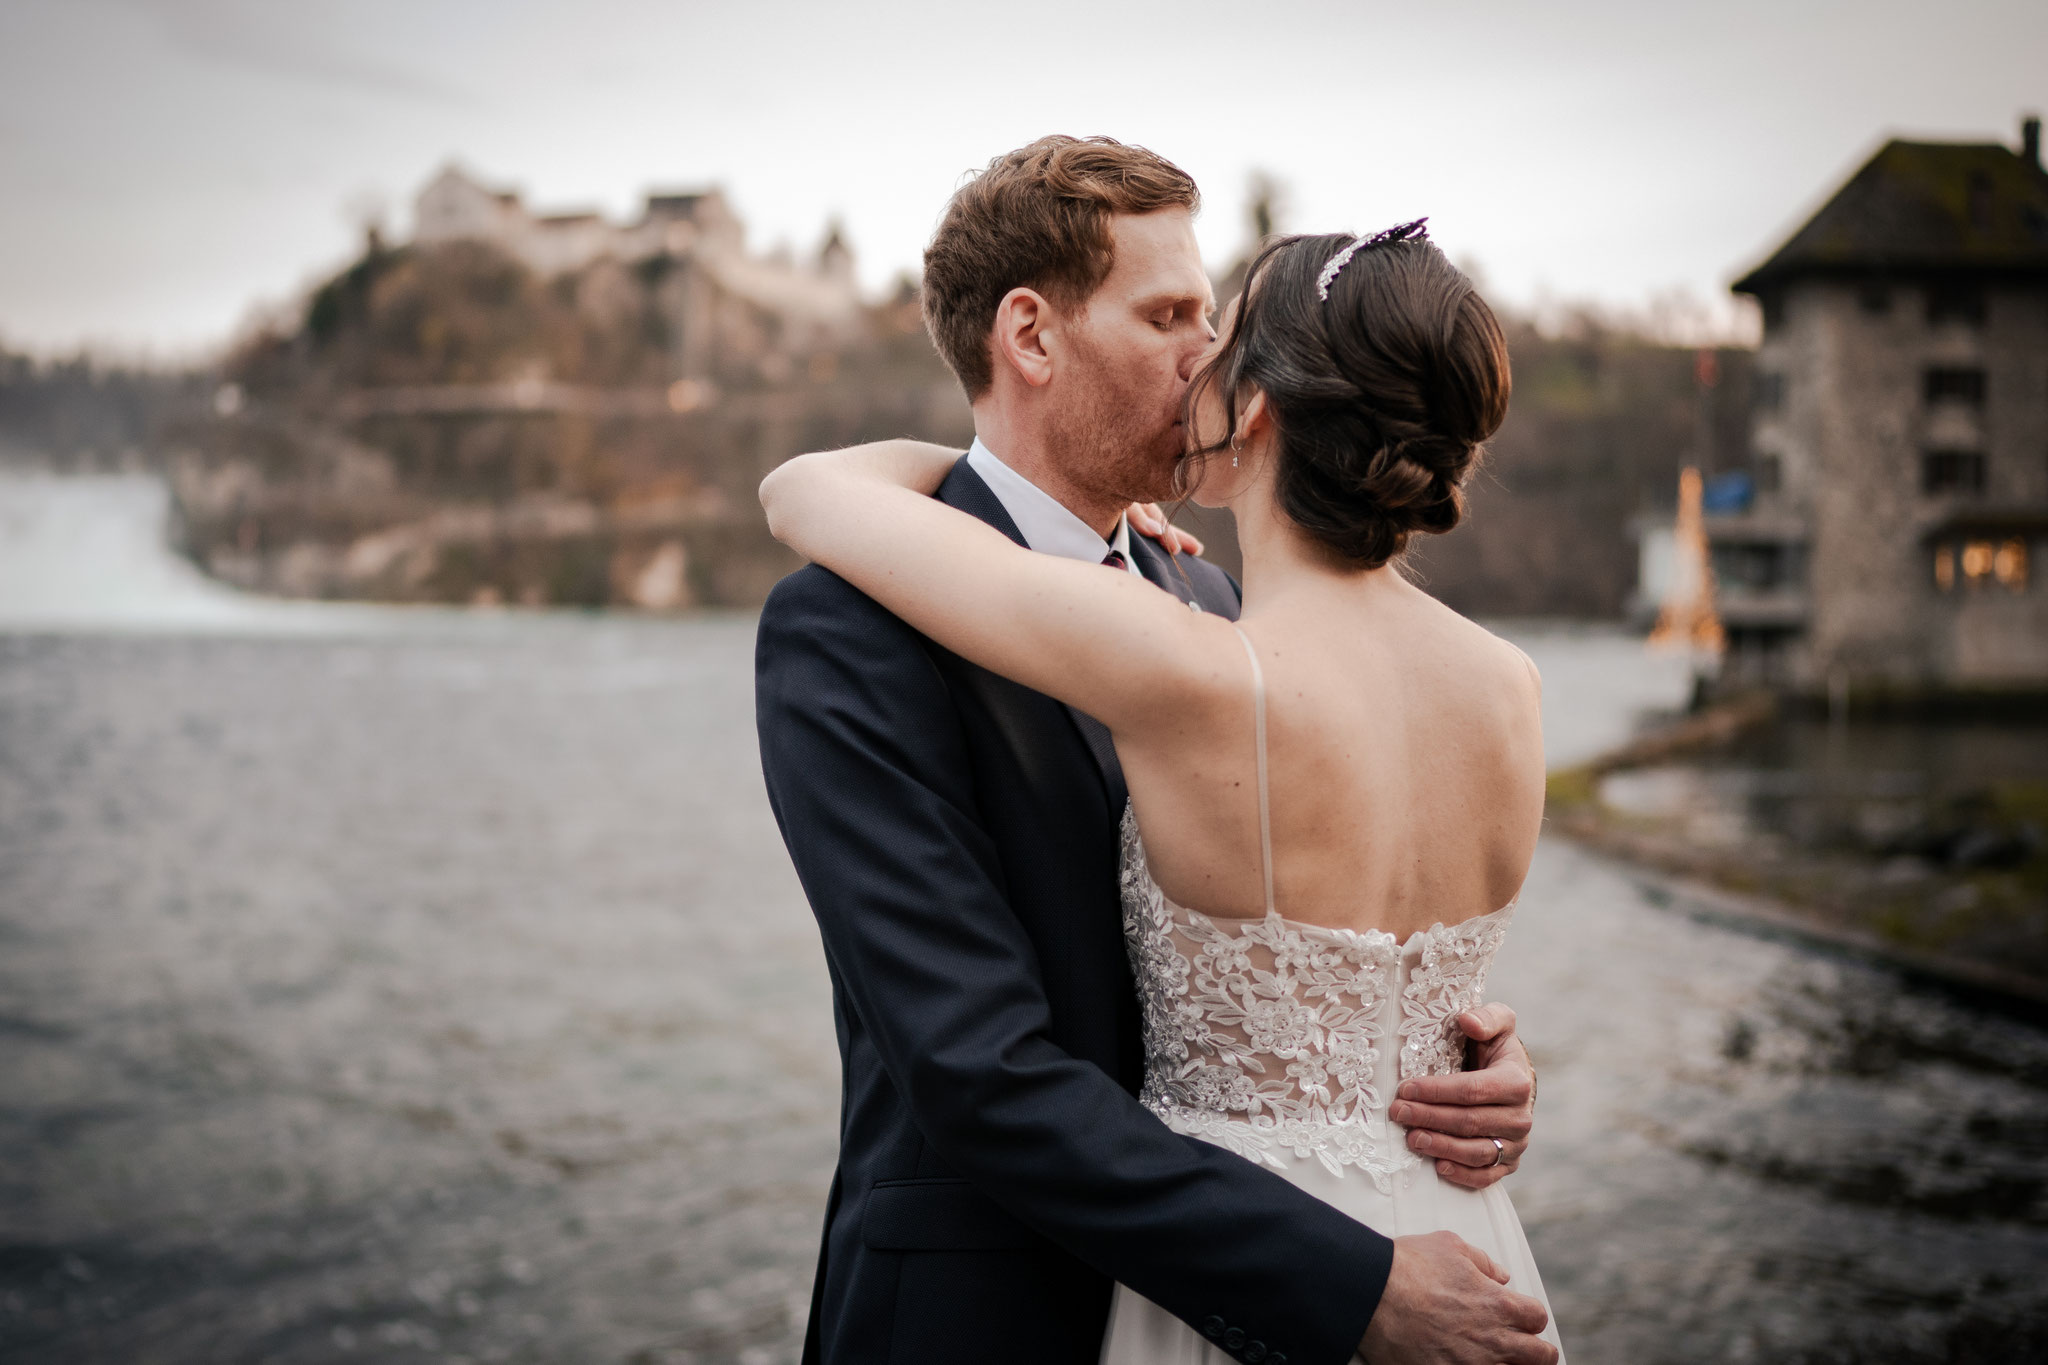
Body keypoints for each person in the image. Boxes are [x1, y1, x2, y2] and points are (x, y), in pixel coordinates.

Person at [754, 136, 1555, 1365]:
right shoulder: (847, 626)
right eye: (1172, 313)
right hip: (994, 1319)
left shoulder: (1216, 612)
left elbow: (1275, 954)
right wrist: (1342, 1284)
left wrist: (1441, 1049)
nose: (1208, 357)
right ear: (1030, 338)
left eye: (1213, 319)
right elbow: (976, 1068)